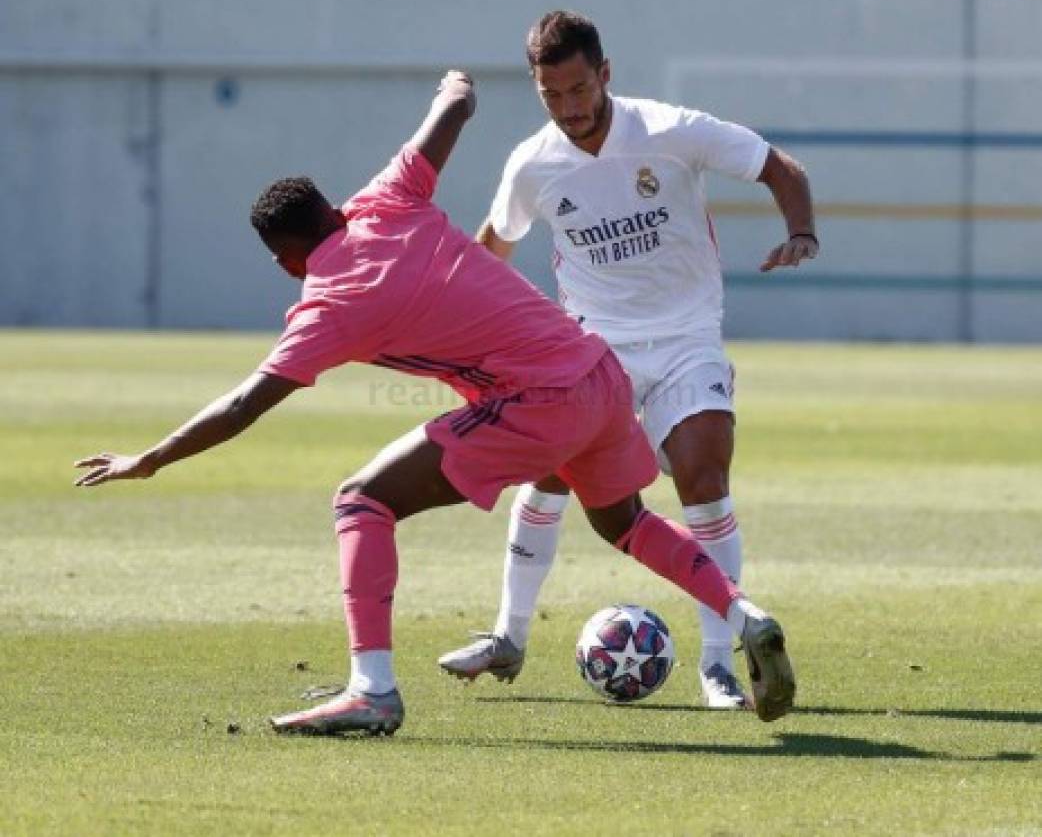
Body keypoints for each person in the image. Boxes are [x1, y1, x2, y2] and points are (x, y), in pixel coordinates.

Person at [73, 70, 795, 736]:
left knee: (362, 501)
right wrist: (457, 89)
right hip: (598, 371)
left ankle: (373, 689)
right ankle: (743, 612)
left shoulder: (329, 302)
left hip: (540, 400)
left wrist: (153, 458)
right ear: (332, 207)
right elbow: (449, 113)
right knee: (627, 522)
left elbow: (242, 406)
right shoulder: (388, 197)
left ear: (284, 261)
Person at [438, 11, 816, 711]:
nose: (570, 107)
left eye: (579, 88)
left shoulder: (670, 131)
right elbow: (493, 246)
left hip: (685, 338)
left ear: (605, 74)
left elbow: (777, 167)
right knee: (547, 473)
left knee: (704, 476)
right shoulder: (534, 164)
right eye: (552, 94)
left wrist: (801, 232)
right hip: (590, 348)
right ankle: (508, 636)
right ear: (537, 89)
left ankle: (719, 666)